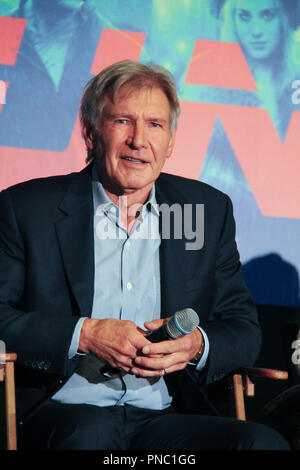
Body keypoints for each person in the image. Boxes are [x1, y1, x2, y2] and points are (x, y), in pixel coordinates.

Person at [0, 60, 290, 450]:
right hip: (61, 409)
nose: (139, 140)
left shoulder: (201, 211)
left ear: (171, 142)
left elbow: (241, 327)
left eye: (155, 124)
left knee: (260, 444)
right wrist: (83, 335)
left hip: (166, 416)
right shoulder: (29, 208)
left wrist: (196, 345)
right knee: (92, 435)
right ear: (90, 132)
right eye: (122, 121)